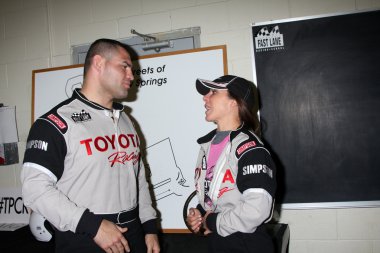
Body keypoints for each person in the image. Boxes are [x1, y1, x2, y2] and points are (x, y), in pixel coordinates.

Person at [21, 38, 160, 253]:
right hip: (85, 235)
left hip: (133, 232)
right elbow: (35, 189)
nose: (132, 76)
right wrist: (93, 226)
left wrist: (149, 226)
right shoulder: (55, 124)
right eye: (125, 66)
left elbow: (138, 177)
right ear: (99, 63)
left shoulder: (126, 120)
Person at [186, 75, 277, 253]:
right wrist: (199, 214)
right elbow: (220, 198)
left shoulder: (251, 150)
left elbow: (256, 210)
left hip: (247, 245)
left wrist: (211, 221)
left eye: (213, 92)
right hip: (218, 243)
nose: (205, 97)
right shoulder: (207, 145)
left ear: (234, 102)